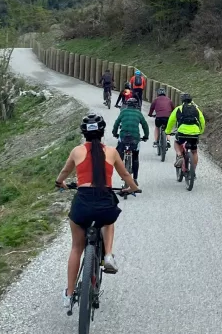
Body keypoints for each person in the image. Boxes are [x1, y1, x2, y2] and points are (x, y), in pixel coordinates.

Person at [55, 114, 139, 309]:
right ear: (102, 132)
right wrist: (133, 188)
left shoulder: (76, 151)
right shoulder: (111, 152)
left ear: (84, 133)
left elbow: (64, 173)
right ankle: (108, 255)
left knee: (77, 247)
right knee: (108, 219)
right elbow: (125, 174)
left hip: (83, 202)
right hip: (104, 200)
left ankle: (68, 295)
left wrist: (60, 183)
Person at [165, 93, 205, 175]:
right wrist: (200, 131)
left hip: (182, 132)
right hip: (194, 133)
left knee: (177, 142)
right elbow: (202, 121)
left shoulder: (178, 109)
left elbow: (171, 121)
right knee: (194, 151)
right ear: (191, 100)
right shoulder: (196, 109)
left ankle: (179, 155)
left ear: (182, 101)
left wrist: (168, 131)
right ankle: (193, 171)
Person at [112, 98, 149, 183]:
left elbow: (116, 124)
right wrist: (146, 136)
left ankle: (121, 170)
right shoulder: (138, 113)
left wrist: (114, 133)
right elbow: (145, 125)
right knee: (135, 157)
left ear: (127, 104)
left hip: (123, 137)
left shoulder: (123, 112)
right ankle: (135, 178)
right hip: (135, 138)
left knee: (119, 153)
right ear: (136, 105)